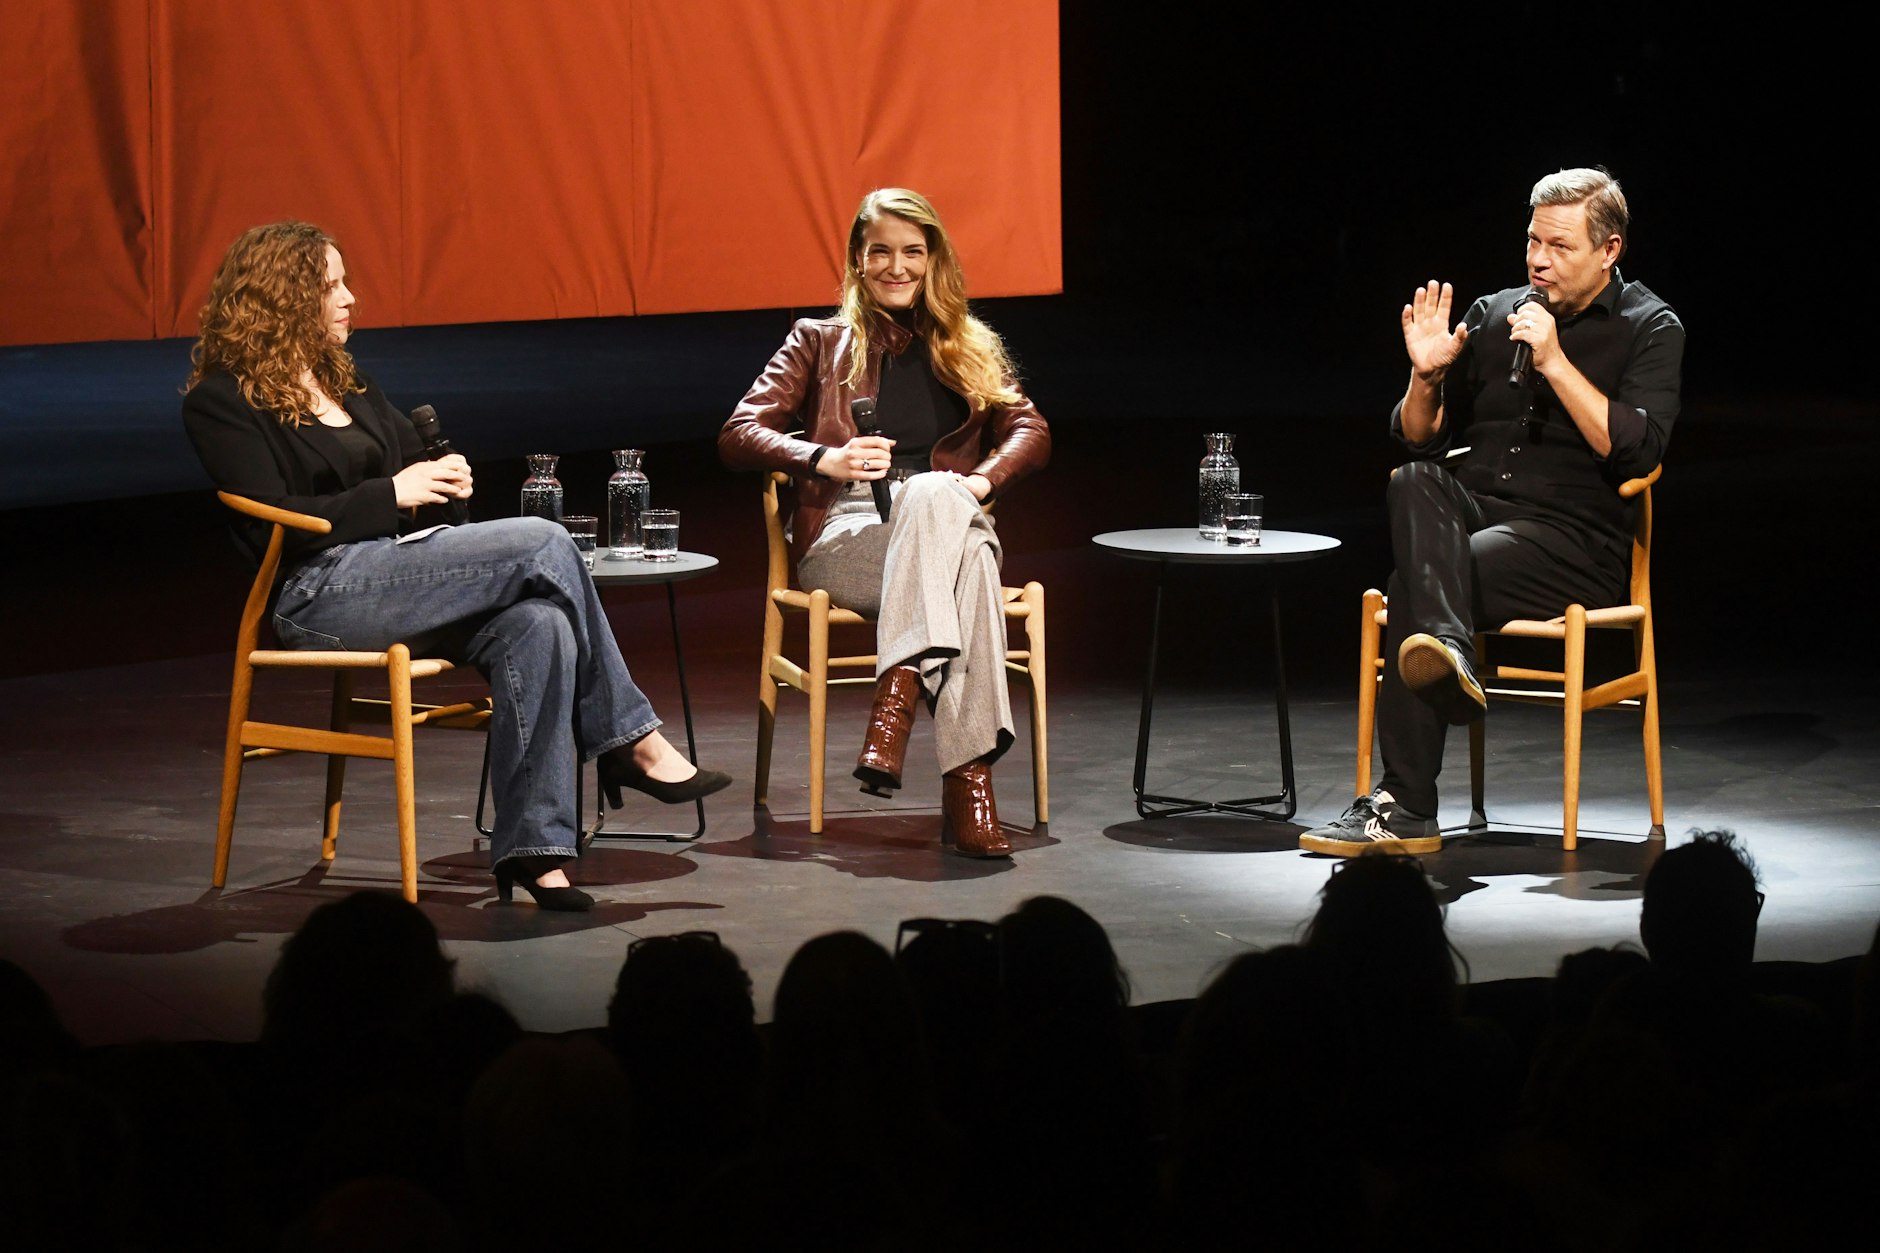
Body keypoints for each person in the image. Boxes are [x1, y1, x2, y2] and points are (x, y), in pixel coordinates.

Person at [182, 221, 729, 910]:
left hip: (400, 575)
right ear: (282, 298)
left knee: (540, 624)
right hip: (317, 595)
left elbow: (417, 481)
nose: (350, 298)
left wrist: (441, 482)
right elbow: (266, 512)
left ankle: (535, 851)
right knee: (542, 540)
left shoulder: (346, 382)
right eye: (330, 286)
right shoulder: (223, 399)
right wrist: (393, 493)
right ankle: (632, 741)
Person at [1301, 167, 1685, 855]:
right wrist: (1424, 376)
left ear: (1610, 250)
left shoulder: (1650, 327)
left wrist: (1556, 360)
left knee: (1411, 587)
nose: (1538, 259)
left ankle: (1407, 803)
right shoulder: (1494, 311)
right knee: (1415, 476)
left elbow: (1636, 449)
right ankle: (1448, 655)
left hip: (1572, 541)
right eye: (1533, 240)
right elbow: (1420, 434)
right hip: (1477, 517)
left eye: (1560, 246)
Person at [719, 188, 1050, 858]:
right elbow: (738, 432)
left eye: (913, 252)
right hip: (846, 533)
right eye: (881, 252)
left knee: (940, 502)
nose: (897, 267)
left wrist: (982, 480)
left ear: (933, 261)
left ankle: (896, 699)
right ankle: (970, 785)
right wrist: (825, 456)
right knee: (974, 559)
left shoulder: (968, 345)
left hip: (945, 524)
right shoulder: (818, 340)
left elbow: (1030, 428)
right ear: (858, 261)